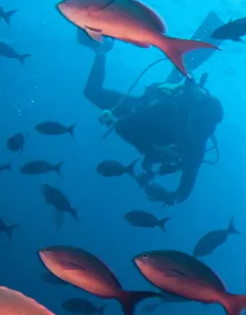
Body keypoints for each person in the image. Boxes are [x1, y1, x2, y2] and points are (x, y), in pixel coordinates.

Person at [81, 39, 223, 204]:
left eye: (203, 127)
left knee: (93, 93)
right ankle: (101, 51)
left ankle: (174, 74)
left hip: (152, 137)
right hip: (140, 110)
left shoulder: (197, 144)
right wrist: (114, 121)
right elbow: (129, 124)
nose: (198, 130)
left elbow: (186, 187)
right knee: (92, 92)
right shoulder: (172, 113)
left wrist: (171, 197)